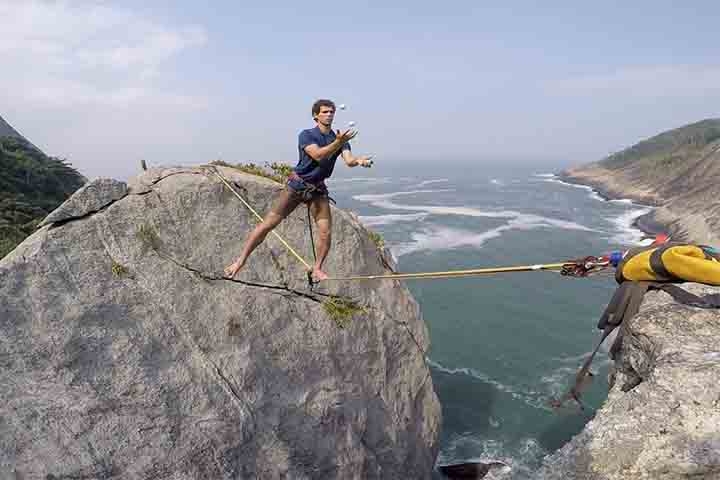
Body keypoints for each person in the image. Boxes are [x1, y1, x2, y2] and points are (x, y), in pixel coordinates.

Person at [224, 99, 373, 282]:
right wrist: (338, 142)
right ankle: (240, 261)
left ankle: (317, 269)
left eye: (331, 112)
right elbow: (318, 155)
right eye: (325, 112)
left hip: (318, 189)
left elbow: (348, 161)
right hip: (297, 185)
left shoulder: (340, 138)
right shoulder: (307, 135)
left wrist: (359, 161)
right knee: (268, 224)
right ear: (315, 116)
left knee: (325, 232)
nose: (329, 115)